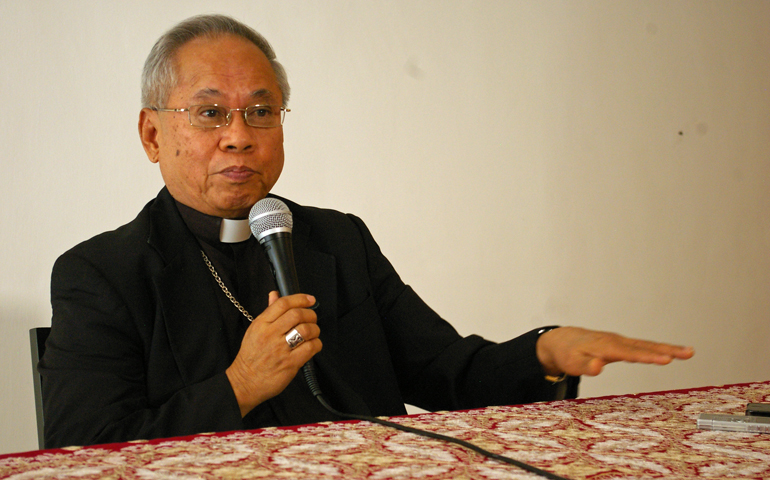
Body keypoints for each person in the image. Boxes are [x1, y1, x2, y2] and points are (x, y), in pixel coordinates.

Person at [39, 14, 694, 449]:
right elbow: (84, 448)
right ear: (153, 134)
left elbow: (444, 372)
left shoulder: (334, 240)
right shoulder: (101, 273)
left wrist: (544, 349)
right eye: (209, 113)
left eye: (260, 111)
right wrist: (239, 386)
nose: (238, 135)